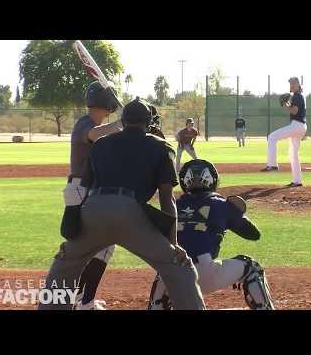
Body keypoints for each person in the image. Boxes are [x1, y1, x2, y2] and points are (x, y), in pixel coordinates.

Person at [39, 98, 206, 310]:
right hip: (131, 213)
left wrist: (75, 234)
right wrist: (173, 245)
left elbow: (84, 190)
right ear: (148, 123)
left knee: (63, 266)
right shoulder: (162, 147)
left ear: (123, 121)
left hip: (93, 210)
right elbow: (167, 200)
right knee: (178, 268)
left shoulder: (100, 144)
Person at [148, 159, 275, 310]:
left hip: (173, 276)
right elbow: (254, 234)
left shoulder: (172, 205)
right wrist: (233, 212)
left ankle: (155, 306)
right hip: (206, 272)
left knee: (163, 272)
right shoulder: (221, 204)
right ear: (212, 180)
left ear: (184, 181)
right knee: (252, 267)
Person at [63, 81, 124, 310]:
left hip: (87, 190)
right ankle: (82, 302)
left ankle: (81, 300)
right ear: (108, 104)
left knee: (99, 248)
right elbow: (93, 135)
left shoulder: (102, 128)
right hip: (82, 189)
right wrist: (122, 123)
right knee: (98, 247)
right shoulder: (86, 124)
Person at [261, 77, 307, 188]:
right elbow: (296, 110)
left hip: (296, 125)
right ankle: (297, 181)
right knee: (293, 154)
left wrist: (285, 105)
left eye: (292, 83)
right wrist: (287, 104)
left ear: (297, 84)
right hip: (301, 127)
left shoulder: (297, 96)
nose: (290, 86)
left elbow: (294, 111)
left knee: (272, 137)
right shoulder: (300, 96)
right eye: (290, 84)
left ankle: (272, 165)